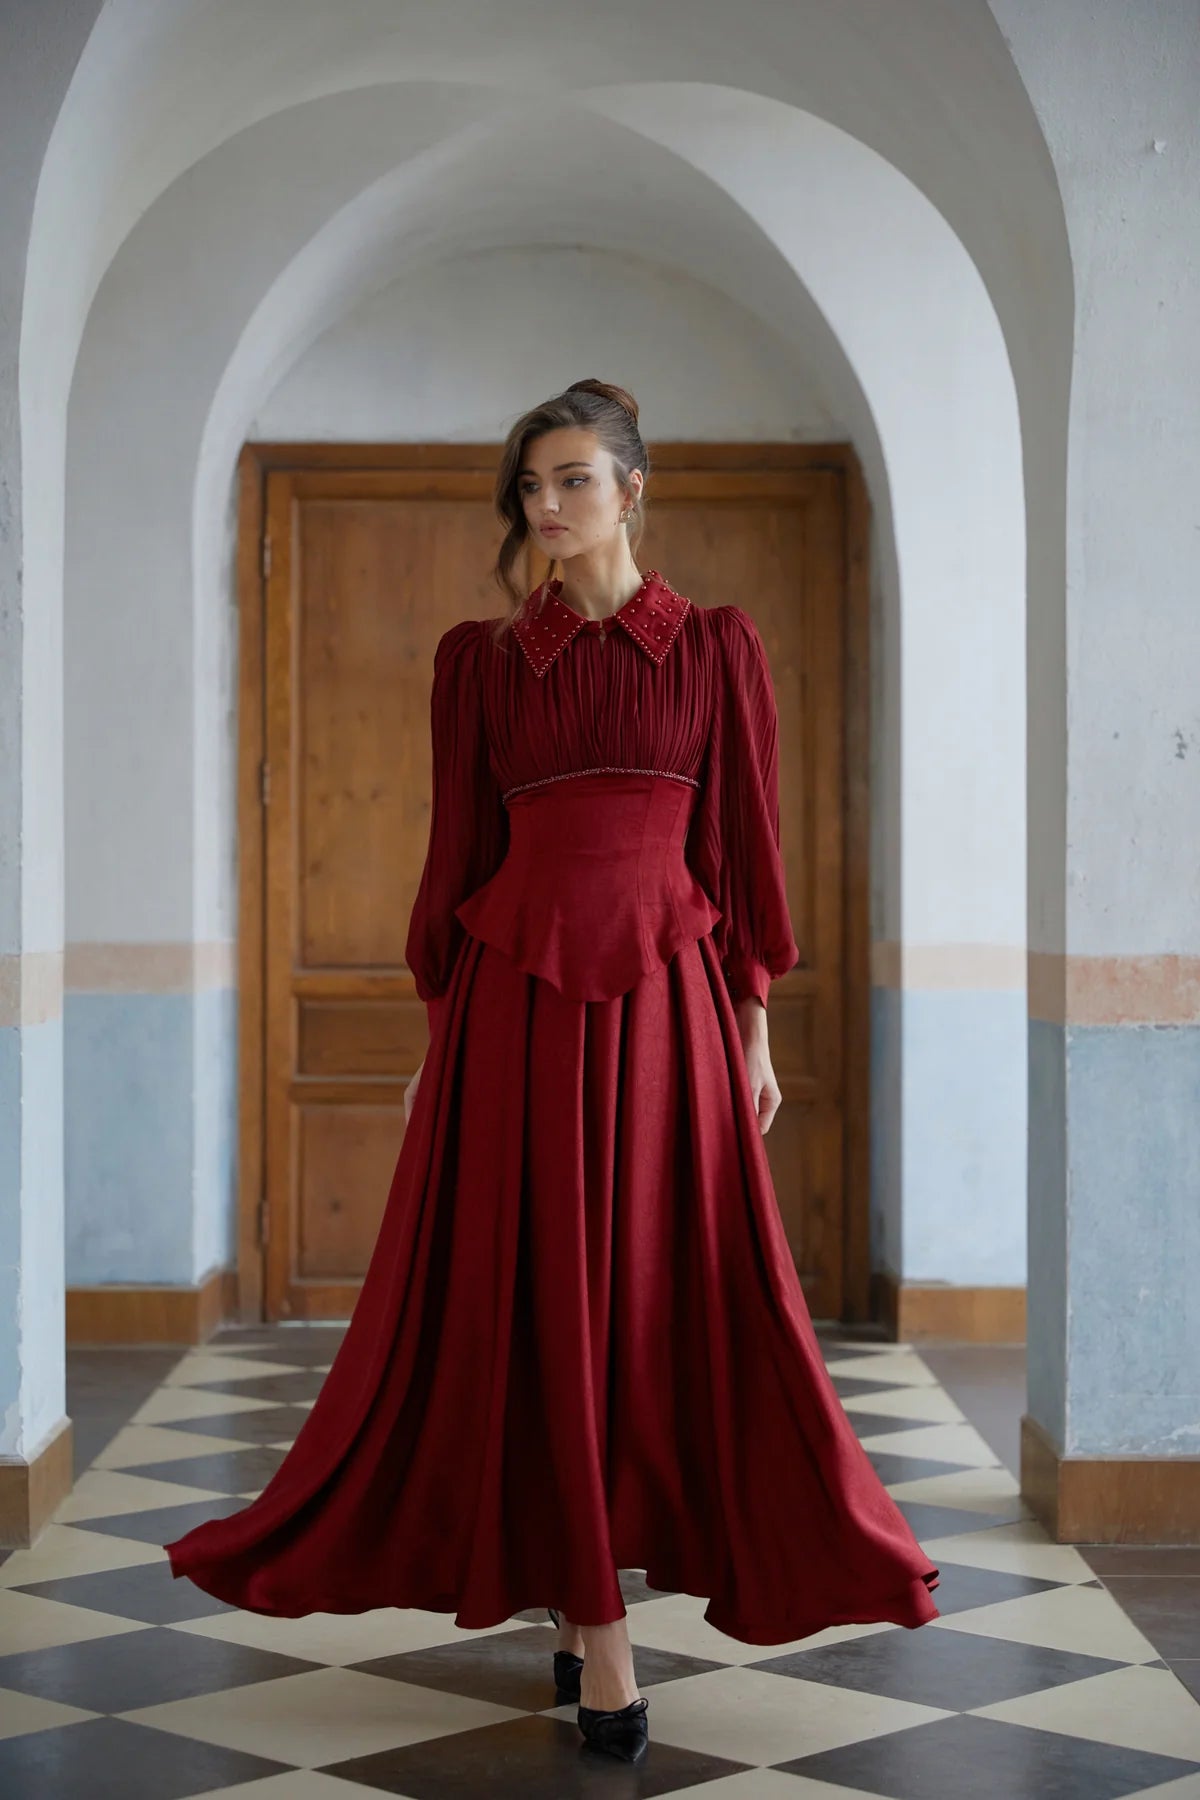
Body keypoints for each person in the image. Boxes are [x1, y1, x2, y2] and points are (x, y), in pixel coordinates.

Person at [165, 379, 940, 1765]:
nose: (548, 507)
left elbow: (742, 855)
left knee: (652, 1302)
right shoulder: (477, 663)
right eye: (532, 485)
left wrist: (754, 1031)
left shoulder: (716, 646)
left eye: (574, 480)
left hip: (670, 1013)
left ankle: (597, 1598)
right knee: (528, 1310)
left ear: (633, 489)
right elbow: (454, 859)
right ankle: (600, 1634)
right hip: (508, 1019)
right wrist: (434, 1042)